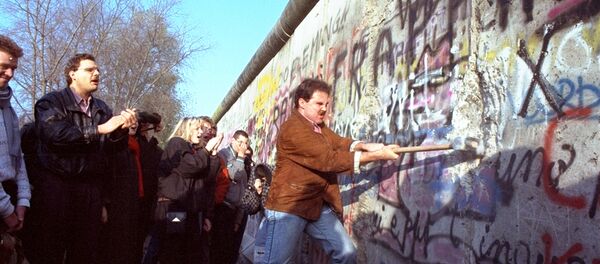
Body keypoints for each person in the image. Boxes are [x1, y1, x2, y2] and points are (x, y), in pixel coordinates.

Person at [257, 78, 401, 264]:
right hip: (289, 206)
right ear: (302, 102)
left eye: (326, 104)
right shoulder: (293, 129)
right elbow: (328, 160)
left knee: (346, 253)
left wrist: (366, 146)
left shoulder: (317, 126)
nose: (324, 109)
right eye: (319, 104)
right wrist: (377, 155)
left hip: (316, 205)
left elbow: (339, 142)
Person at [25, 53, 137, 264]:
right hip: (56, 189)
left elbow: (109, 155)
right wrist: (101, 129)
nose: (96, 73)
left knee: (85, 253)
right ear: (72, 74)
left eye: (98, 70)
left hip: (90, 192)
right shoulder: (51, 102)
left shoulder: (102, 108)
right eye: (89, 70)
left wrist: (121, 132)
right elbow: (56, 136)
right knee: (50, 252)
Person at [155, 116, 222, 264]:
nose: (201, 132)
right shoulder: (177, 143)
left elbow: (207, 178)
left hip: (186, 208)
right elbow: (191, 166)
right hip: (173, 207)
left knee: (185, 252)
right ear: (187, 129)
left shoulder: (192, 149)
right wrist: (207, 149)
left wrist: (214, 154)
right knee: (172, 250)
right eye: (197, 128)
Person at [0, 35, 30, 263]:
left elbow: (17, 159)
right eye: (3, 66)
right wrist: (6, 210)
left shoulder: (9, 110)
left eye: (13, 68)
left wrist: (22, 201)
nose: (10, 74)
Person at [211, 130, 250, 264]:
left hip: (234, 211)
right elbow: (233, 175)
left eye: (246, 143)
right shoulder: (224, 155)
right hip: (222, 208)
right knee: (218, 249)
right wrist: (240, 157)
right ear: (232, 141)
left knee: (229, 250)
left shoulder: (243, 160)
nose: (243, 146)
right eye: (240, 142)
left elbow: (242, 188)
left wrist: (238, 219)